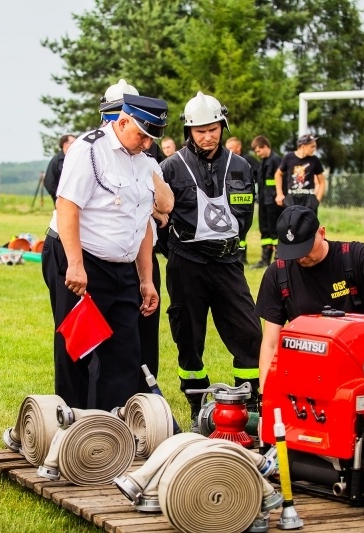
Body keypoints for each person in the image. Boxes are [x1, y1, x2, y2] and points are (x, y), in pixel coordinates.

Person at [42, 93, 166, 412]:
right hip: (82, 258)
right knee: (77, 350)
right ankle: (74, 428)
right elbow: (67, 206)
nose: (147, 144)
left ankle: (112, 428)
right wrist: (75, 265)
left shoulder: (144, 161)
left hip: (123, 268)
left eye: (151, 138)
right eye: (142, 135)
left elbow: (142, 223)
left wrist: (146, 279)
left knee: (125, 352)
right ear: (122, 121)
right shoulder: (89, 149)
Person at [159, 91, 261, 428]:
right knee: (188, 335)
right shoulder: (169, 168)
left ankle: (247, 402)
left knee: (248, 331)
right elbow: (158, 219)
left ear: (223, 126)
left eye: (213, 128)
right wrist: (176, 249)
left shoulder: (242, 166)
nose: (208, 135)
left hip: (228, 263)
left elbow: (244, 216)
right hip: (187, 261)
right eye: (200, 130)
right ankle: (196, 402)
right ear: (189, 131)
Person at [255, 205, 364, 390]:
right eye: (294, 252)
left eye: (305, 249)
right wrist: (266, 403)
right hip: (306, 367)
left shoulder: (353, 255)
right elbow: (271, 345)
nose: (301, 258)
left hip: (357, 366)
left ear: (321, 233)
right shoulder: (277, 274)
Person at [95, 79, 173, 393]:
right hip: (103, 256)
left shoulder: (147, 160)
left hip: (141, 254)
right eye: (112, 114)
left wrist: (146, 183)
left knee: (142, 329)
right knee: (104, 336)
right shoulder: (96, 153)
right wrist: (146, 203)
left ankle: (143, 394)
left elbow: (165, 206)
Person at [251, 135, 284, 268]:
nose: (257, 154)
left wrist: (279, 195)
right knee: (264, 230)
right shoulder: (263, 161)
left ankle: (278, 257)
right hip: (264, 200)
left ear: (265, 147)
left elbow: (281, 180)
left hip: (274, 201)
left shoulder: (277, 160)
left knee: (275, 230)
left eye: (259, 151)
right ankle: (265, 259)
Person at [225, 136, 259, 264]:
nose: (228, 151)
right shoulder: (227, 161)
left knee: (242, 229)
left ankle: (242, 256)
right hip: (231, 200)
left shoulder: (246, 160)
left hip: (244, 200)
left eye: (230, 148)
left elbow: (258, 172)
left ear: (238, 148)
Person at [275, 133, 325, 214]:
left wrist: (317, 200)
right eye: (312, 146)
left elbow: (322, 182)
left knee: (309, 225)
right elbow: (278, 174)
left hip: (308, 198)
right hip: (292, 197)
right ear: (303, 146)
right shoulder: (289, 157)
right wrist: (279, 194)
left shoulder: (314, 160)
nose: (314, 149)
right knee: (292, 224)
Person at [43, 134, 76, 202]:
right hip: (61, 199)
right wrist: (58, 196)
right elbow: (49, 182)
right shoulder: (55, 161)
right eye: (73, 143)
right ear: (65, 144)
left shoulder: (76, 159)